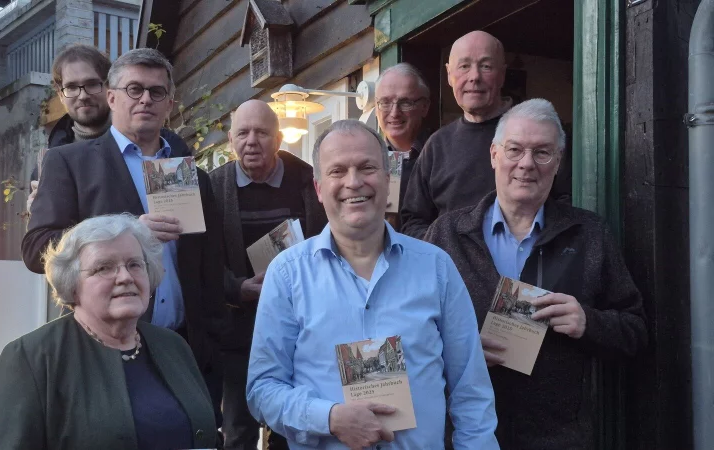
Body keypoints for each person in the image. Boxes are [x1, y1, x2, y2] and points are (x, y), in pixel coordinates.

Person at [246, 120, 499, 449]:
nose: (353, 182)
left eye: (367, 167)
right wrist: (329, 417)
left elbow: (471, 393)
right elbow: (263, 389)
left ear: (388, 178)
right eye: (337, 171)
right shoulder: (288, 274)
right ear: (320, 188)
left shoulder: (436, 268)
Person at [424, 99, 648, 448]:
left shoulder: (589, 234)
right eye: (515, 150)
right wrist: (456, 352)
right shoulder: (446, 235)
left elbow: (635, 332)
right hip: (464, 436)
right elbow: (409, 333)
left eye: (542, 153)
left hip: (556, 438)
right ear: (494, 154)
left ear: (558, 162)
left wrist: (588, 322)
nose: (526, 164)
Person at [22, 48, 227, 427]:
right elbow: (37, 249)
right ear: (111, 97)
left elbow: (210, 268)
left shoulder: (190, 174)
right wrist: (128, 231)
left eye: (156, 92)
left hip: (185, 352)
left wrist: (212, 340)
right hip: (103, 347)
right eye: (134, 89)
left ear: (169, 103)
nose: (146, 99)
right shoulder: (69, 162)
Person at [0, 214, 218, 449]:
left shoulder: (173, 346)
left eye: (135, 264)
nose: (125, 277)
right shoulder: (31, 358)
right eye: (104, 267)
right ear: (72, 285)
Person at [210, 100, 327, 450]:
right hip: (239, 329)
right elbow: (199, 260)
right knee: (238, 429)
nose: (252, 141)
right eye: (243, 133)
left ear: (278, 139)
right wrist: (237, 287)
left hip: (301, 325)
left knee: (292, 424)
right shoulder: (214, 187)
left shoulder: (309, 181)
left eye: (261, 132)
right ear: (231, 140)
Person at [400, 30, 571, 239]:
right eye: (464, 66)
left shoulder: (537, 133)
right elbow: (413, 220)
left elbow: (566, 204)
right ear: (449, 75)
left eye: (486, 66)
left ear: (502, 73)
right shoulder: (437, 146)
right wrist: (447, 252)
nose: (474, 77)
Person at [27, 44, 190, 211]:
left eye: (92, 84)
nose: (83, 95)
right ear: (61, 95)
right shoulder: (51, 163)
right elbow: (47, 235)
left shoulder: (166, 148)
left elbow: (180, 222)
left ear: (110, 88)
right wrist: (39, 216)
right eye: (72, 87)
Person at [374, 63, 432, 230]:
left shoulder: (442, 155)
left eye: (405, 103)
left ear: (425, 107)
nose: (394, 113)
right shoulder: (366, 160)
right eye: (385, 102)